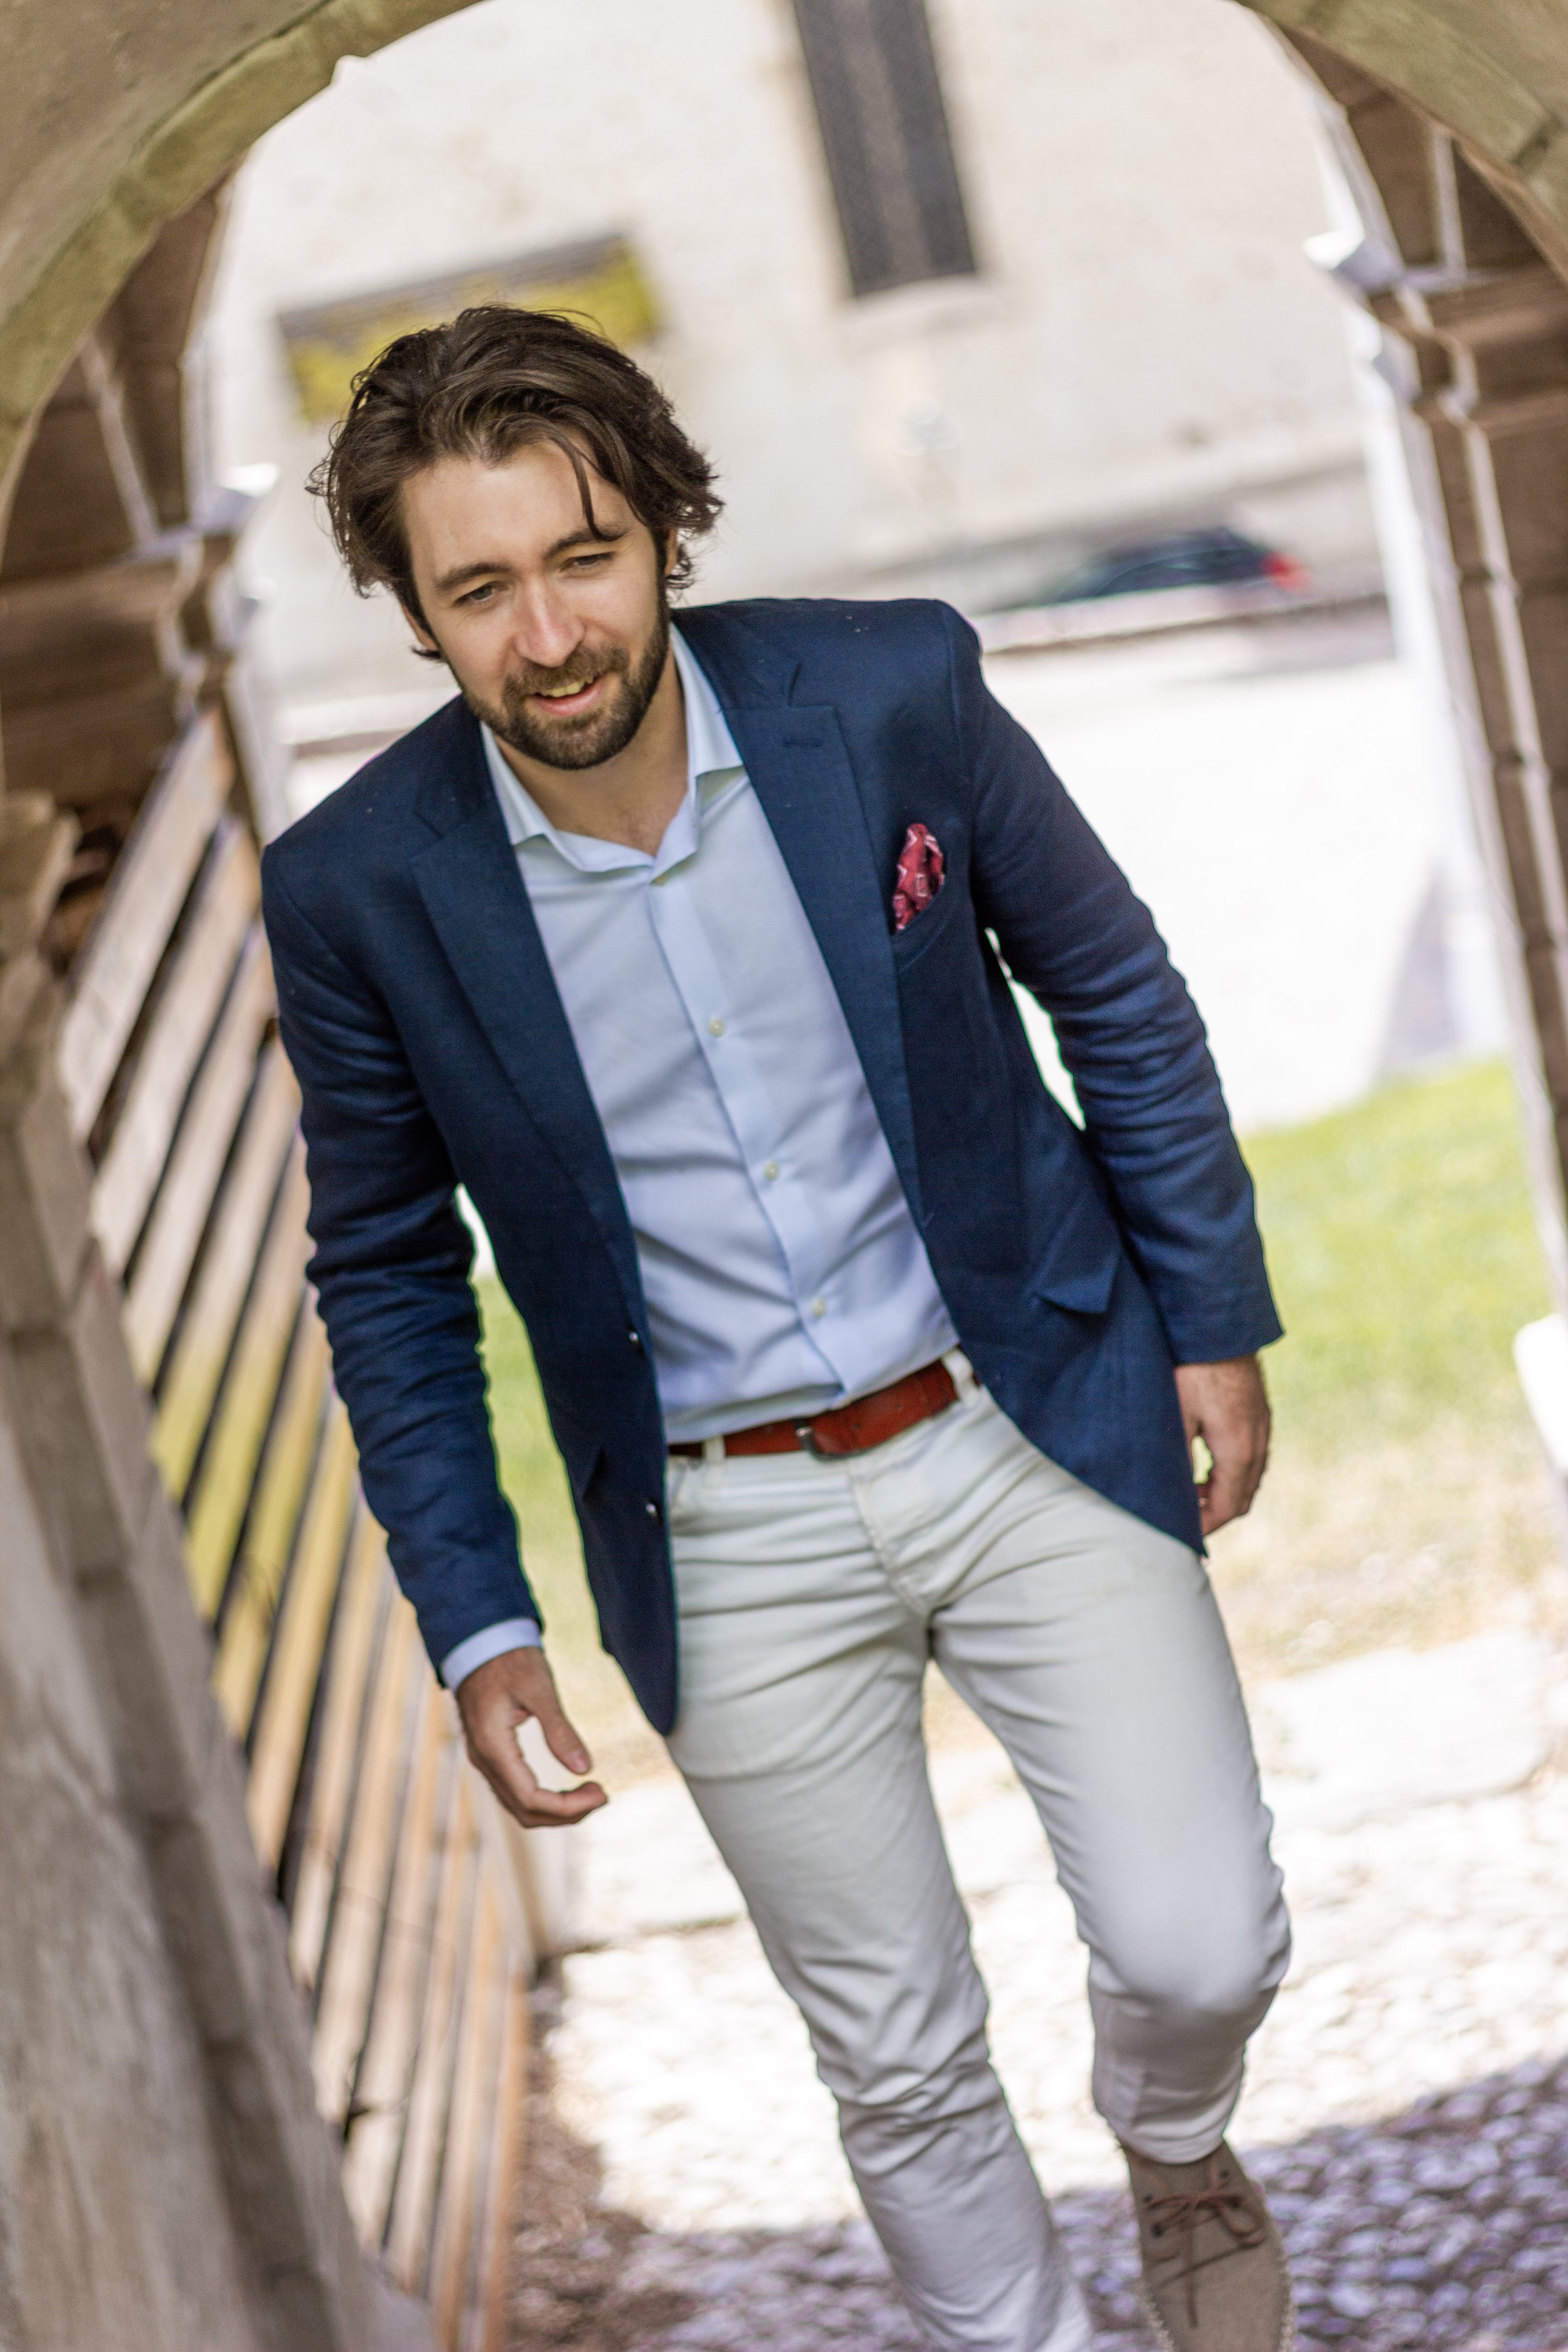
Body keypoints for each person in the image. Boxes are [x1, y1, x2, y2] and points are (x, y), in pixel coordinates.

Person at [261, 304, 1294, 2352]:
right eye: (477, 591)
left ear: (663, 530)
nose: (546, 636)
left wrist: (1209, 1309)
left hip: (1025, 1418)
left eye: (582, 560)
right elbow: (384, 1268)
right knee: (895, 2063)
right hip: (724, 1530)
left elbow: (1118, 994)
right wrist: (477, 1618)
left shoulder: (887, 692)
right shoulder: (359, 886)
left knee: (1200, 1951)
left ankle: (1172, 2148)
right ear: (415, 612)